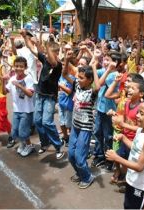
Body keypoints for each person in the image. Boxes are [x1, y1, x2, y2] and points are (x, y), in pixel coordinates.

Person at [106, 100, 144, 209]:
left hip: (142, 187)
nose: (137, 116)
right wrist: (123, 137)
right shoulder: (141, 130)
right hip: (132, 180)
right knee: (127, 206)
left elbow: (139, 167)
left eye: (141, 114)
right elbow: (136, 148)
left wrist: (116, 158)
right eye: (138, 112)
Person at [21, 29, 64, 159]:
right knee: (37, 121)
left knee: (47, 122)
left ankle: (58, 146)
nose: (47, 53)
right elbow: (31, 48)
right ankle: (44, 143)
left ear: (57, 53)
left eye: (52, 51)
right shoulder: (45, 59)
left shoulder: (58, 65)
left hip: (50, 97)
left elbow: (50, 56)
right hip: (40, 94)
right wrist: (25, 37)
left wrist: (43, 44)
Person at [63, 50, 100, 189]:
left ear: (89, 80)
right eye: (78, 76)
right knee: (71, 155)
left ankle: (87, 176)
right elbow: (65, 74)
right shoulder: (77, 85)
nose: (78, 79)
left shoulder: (92, 92)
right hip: (75, 126)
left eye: (82, 77)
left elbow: (98, 86)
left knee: (79, 156)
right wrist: (66, 60)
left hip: (85, 128)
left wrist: (94, 67)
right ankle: (80, 172)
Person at [111, 78, 144, 192]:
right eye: (129, 87)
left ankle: (130, 185)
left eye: (133, 88)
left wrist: (124, 124)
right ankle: (124, 177)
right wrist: (118, 123)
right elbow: (123, 117)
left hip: (134, 141)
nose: (129, 89)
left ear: (141, 94)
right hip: (124, 136)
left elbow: (141, 128)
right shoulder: (127, 103)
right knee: (120, 157)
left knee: (131, 163)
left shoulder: (142, 108)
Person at [5, 56, 35, 157]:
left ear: (25, 67)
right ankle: (23, 144)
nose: (18, 68)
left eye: (21, 66)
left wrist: (19, 86)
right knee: (14, 132)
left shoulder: (28, 78)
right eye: (16, 66)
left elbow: (30, 94)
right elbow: (4, 91)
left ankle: (29, 146)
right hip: (17, 110)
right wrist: (2, 80)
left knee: (23, 132)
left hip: (26, 110)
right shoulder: (12, 78)